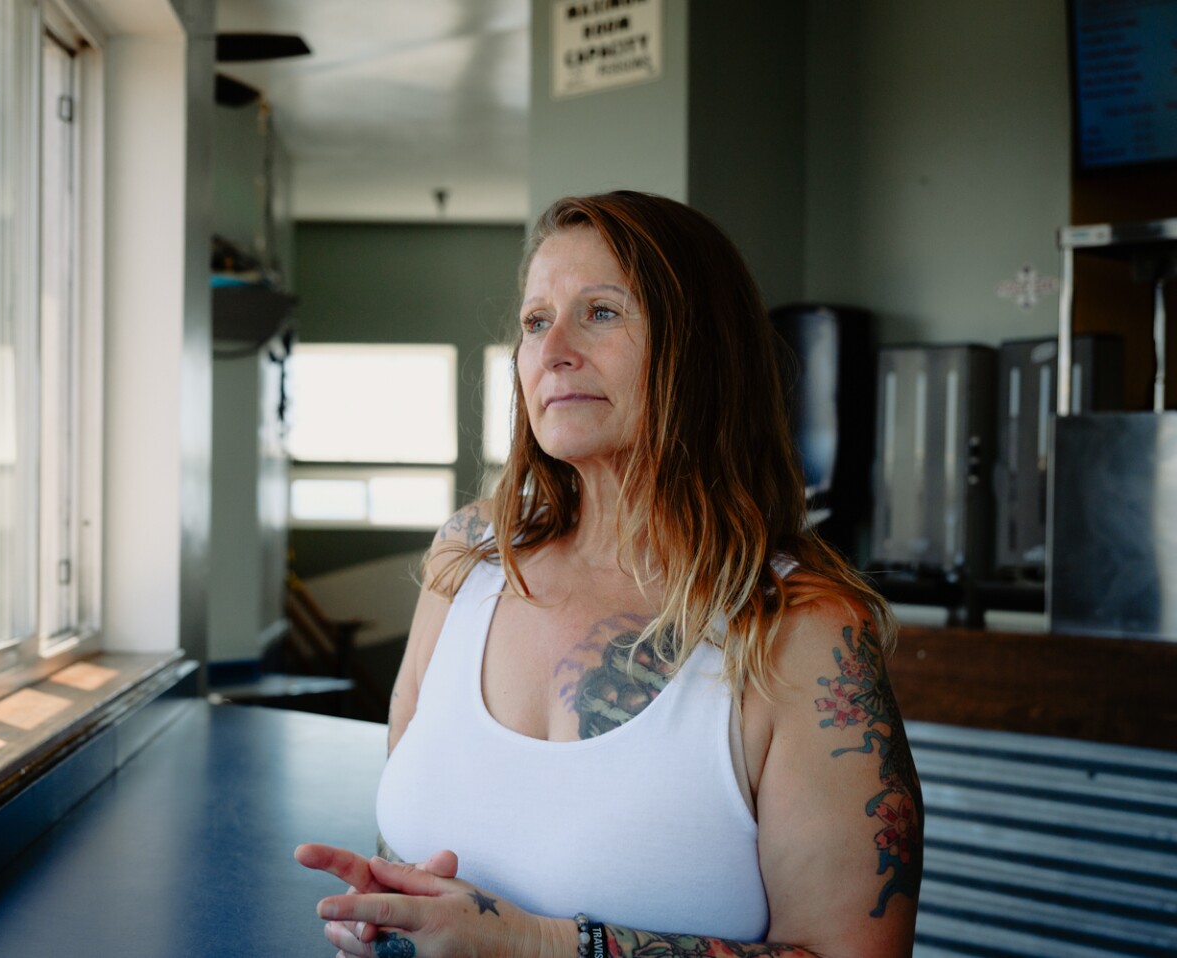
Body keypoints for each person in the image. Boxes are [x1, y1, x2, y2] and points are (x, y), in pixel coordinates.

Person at [297, 191, 922, 958]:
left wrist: (538, 946)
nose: (552, 348)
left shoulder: (805, 630)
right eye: (535, 321)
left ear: (701, 348)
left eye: (600, 312)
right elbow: (406, 843)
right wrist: (387, 907)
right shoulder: (465, 559)